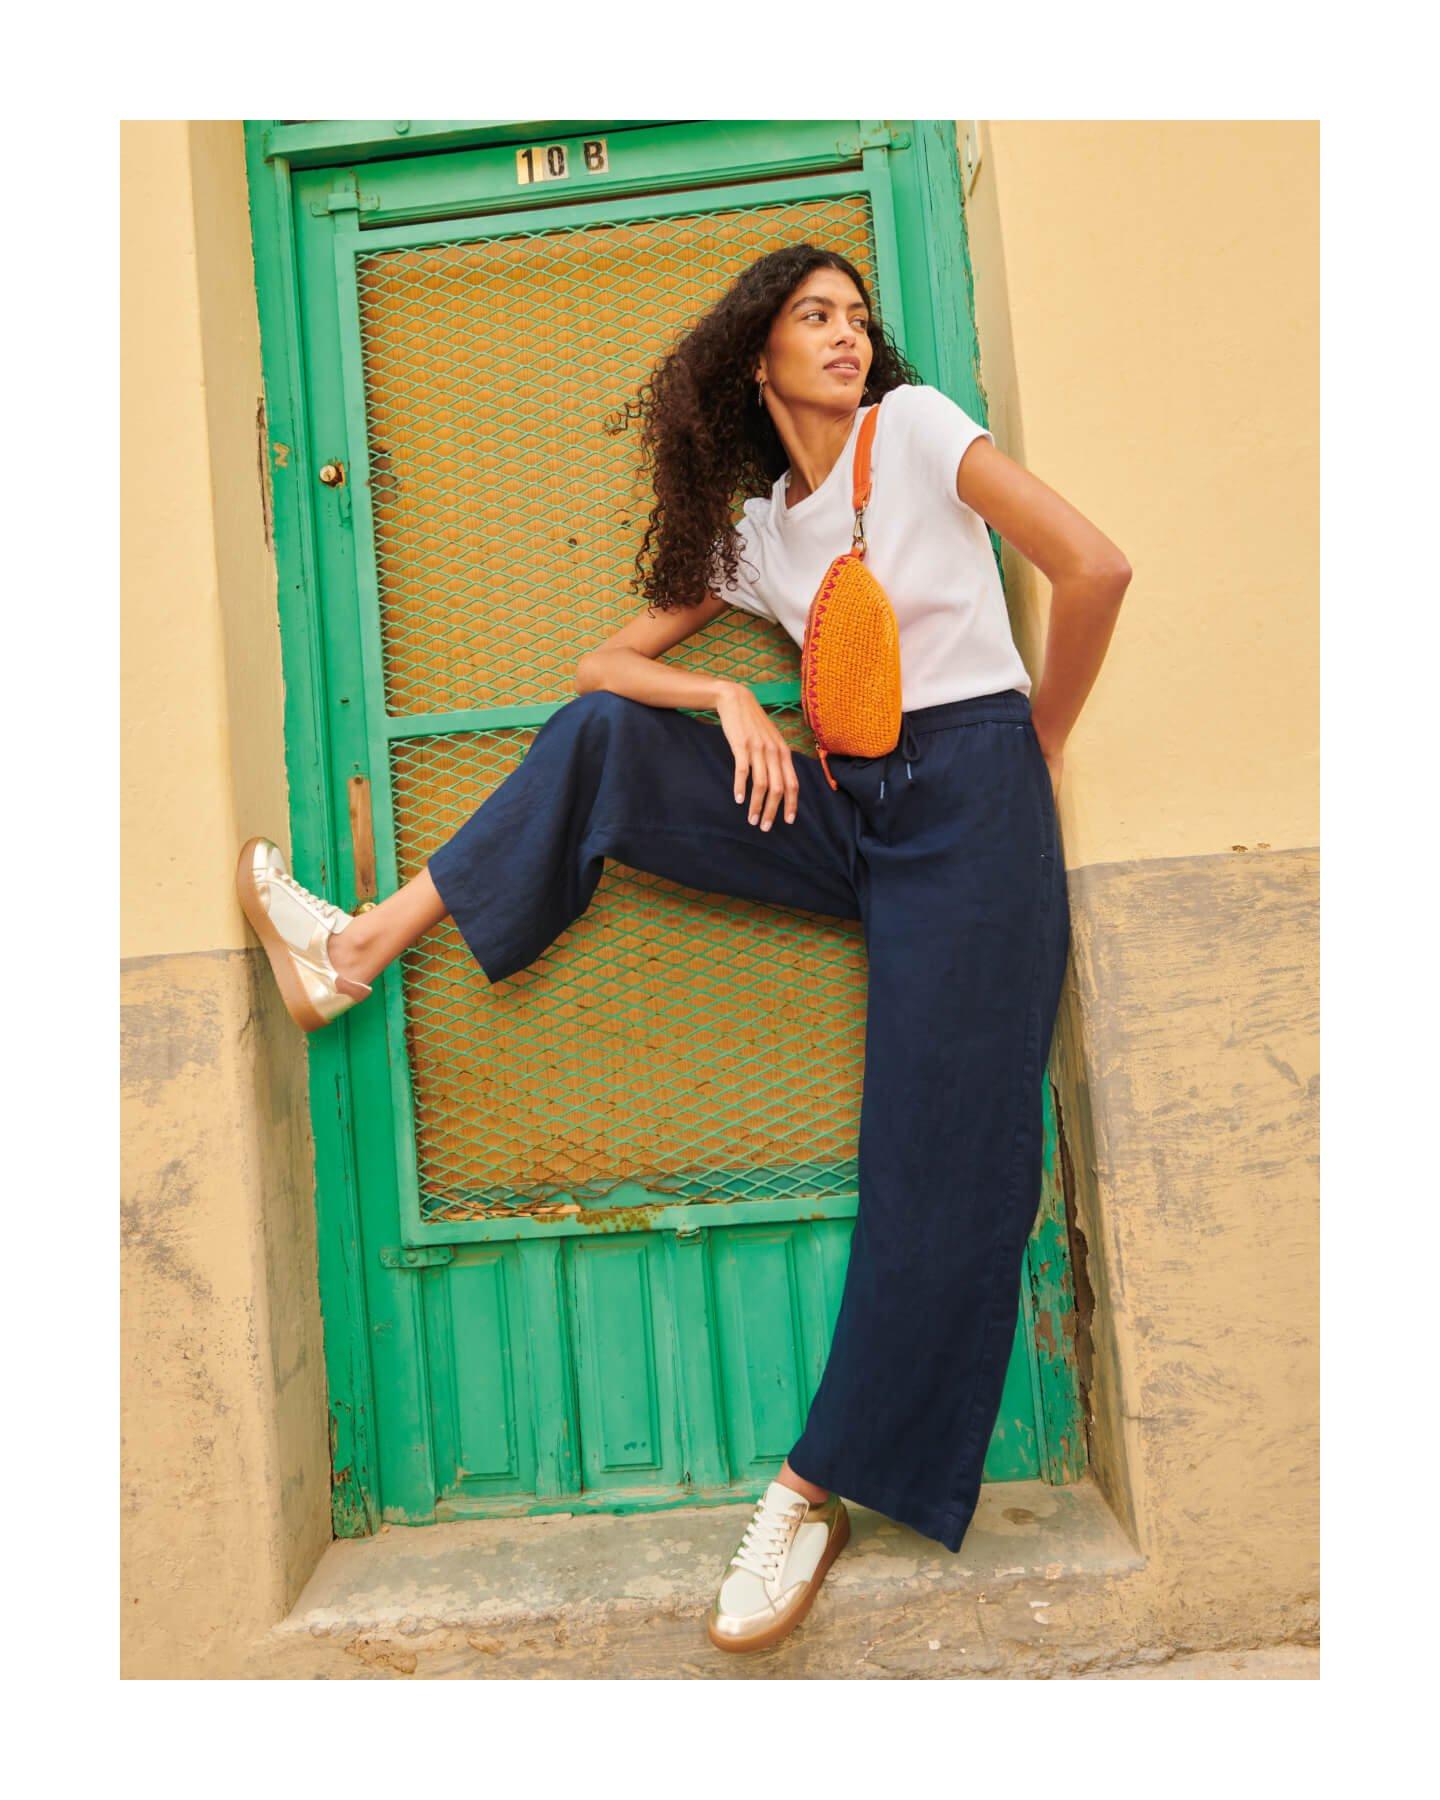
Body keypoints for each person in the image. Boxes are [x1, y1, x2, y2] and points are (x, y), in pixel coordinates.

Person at [236, 242, 1130, 1656]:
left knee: (941, 1149)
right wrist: (727, 704)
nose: (845, 338)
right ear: (752, 357)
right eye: (811, 318)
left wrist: (1044, 741)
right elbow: (602, 670)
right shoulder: (758, 528)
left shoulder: (923, 429)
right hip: (842, 798)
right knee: (605, 742)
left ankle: (810, 1490)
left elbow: (1093, 566)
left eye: (855, 319)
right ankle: (353, 951)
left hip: (974, 800)